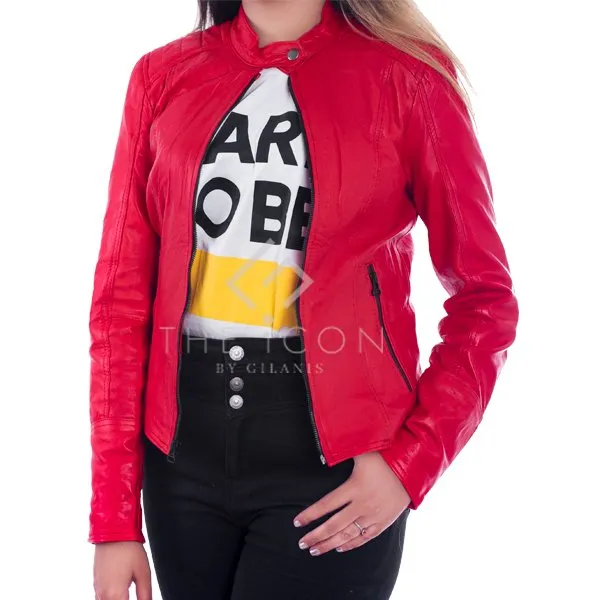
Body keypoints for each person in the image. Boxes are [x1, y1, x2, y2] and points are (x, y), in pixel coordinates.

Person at [88, 0, 519, 598]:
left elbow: (486, 299)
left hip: (333, 473)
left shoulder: (409, 78)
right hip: (180, 464)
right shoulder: (161, 76)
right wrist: (113, 520)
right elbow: (119, 303)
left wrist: (411, 464)